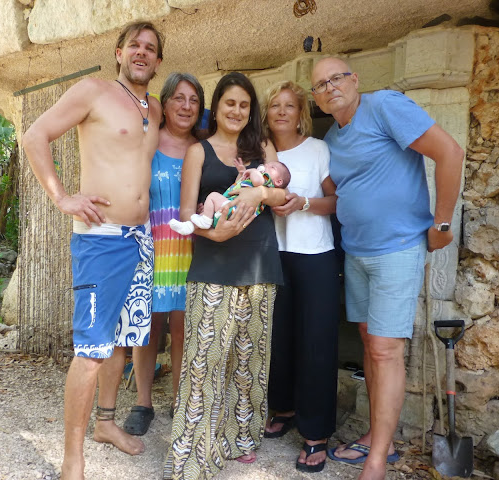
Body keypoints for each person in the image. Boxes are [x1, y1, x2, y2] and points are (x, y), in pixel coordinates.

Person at [21, 21, 164, 480]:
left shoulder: (155, 109)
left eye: (152, 49)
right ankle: (71, 462)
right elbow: (35, 136)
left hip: (141, 239)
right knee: (91, 350)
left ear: (158, 62)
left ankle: (106, 424)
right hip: (102, 241)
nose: (143, 53)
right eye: (135, 46)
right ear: (119, 52)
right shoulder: (93, 91)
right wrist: (62, 197)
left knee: (122, 340)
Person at [310, 57, 464, 480]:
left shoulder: (385, 107)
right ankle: (383, 440)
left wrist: (443, 222)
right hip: (356, 252)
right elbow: (343, 193)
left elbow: (450, 151)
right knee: (369, 345)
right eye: (320, 85)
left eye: (336, 78)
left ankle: (377, 460)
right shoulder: (333, 139)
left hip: (396, 249)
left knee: (384, 349)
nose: (329, 87)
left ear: (355, 80)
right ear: (317, 98)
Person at [163, 72, 287, 480]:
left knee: (249, 359)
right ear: (217, 107)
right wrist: (214, 230)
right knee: (204, 360)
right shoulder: (199, 151)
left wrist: (258, 193)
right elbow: (185, 214)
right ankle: (194, 452)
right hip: (213, 263)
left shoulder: (261, 146)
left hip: (258, 262)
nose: (237, 111)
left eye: (244, 105)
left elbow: (282, 194)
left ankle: (241, 440)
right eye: (230, 103)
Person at [261, 80, 341, 473]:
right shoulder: (259, 154)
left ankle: (316, 434)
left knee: (315, 344)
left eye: (288, 105)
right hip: (276, 257)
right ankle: (284, 408)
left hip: (315, 256)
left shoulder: (317, 149)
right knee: (279, 339)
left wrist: (303, 203)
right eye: (274, 105)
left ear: (301, 113)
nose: (280, 111)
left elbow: (336, 202)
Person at [122, 72, 205, 436]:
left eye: (193, 100)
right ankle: (143, 403)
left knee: (184, 327)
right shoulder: (149, 143)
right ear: (166, 103)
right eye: (179, 99)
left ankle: (178, 401)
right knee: (147, 328)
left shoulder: (204, 148)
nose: (186, 106)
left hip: (192, 248)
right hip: (151, 245)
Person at [169, 159, 291, 234]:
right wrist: (242, 174)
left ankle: (205, 221)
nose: (266, 165)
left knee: (212, 196)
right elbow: (237, 186)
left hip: (235, 210)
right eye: (267, 164)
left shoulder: (266, 180)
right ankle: (189, 226)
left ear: (278, 182)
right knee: (206, 212)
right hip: (233, 211)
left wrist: (254, 171)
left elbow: (258, 182)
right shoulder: (256, 179)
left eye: (272, 167)